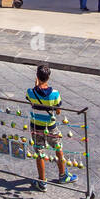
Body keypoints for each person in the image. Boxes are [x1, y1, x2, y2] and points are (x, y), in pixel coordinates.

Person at [26, 63, 72, 192]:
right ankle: (63, 175)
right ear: (49, 77)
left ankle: (42, 181)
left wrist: (36, 85)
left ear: (37, 76)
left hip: (36, 126)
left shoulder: (31, 92)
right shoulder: (55, 94)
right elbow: (58, 111)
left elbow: (32, 99)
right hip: (50, 126)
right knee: (58, 148)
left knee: (39, 152)